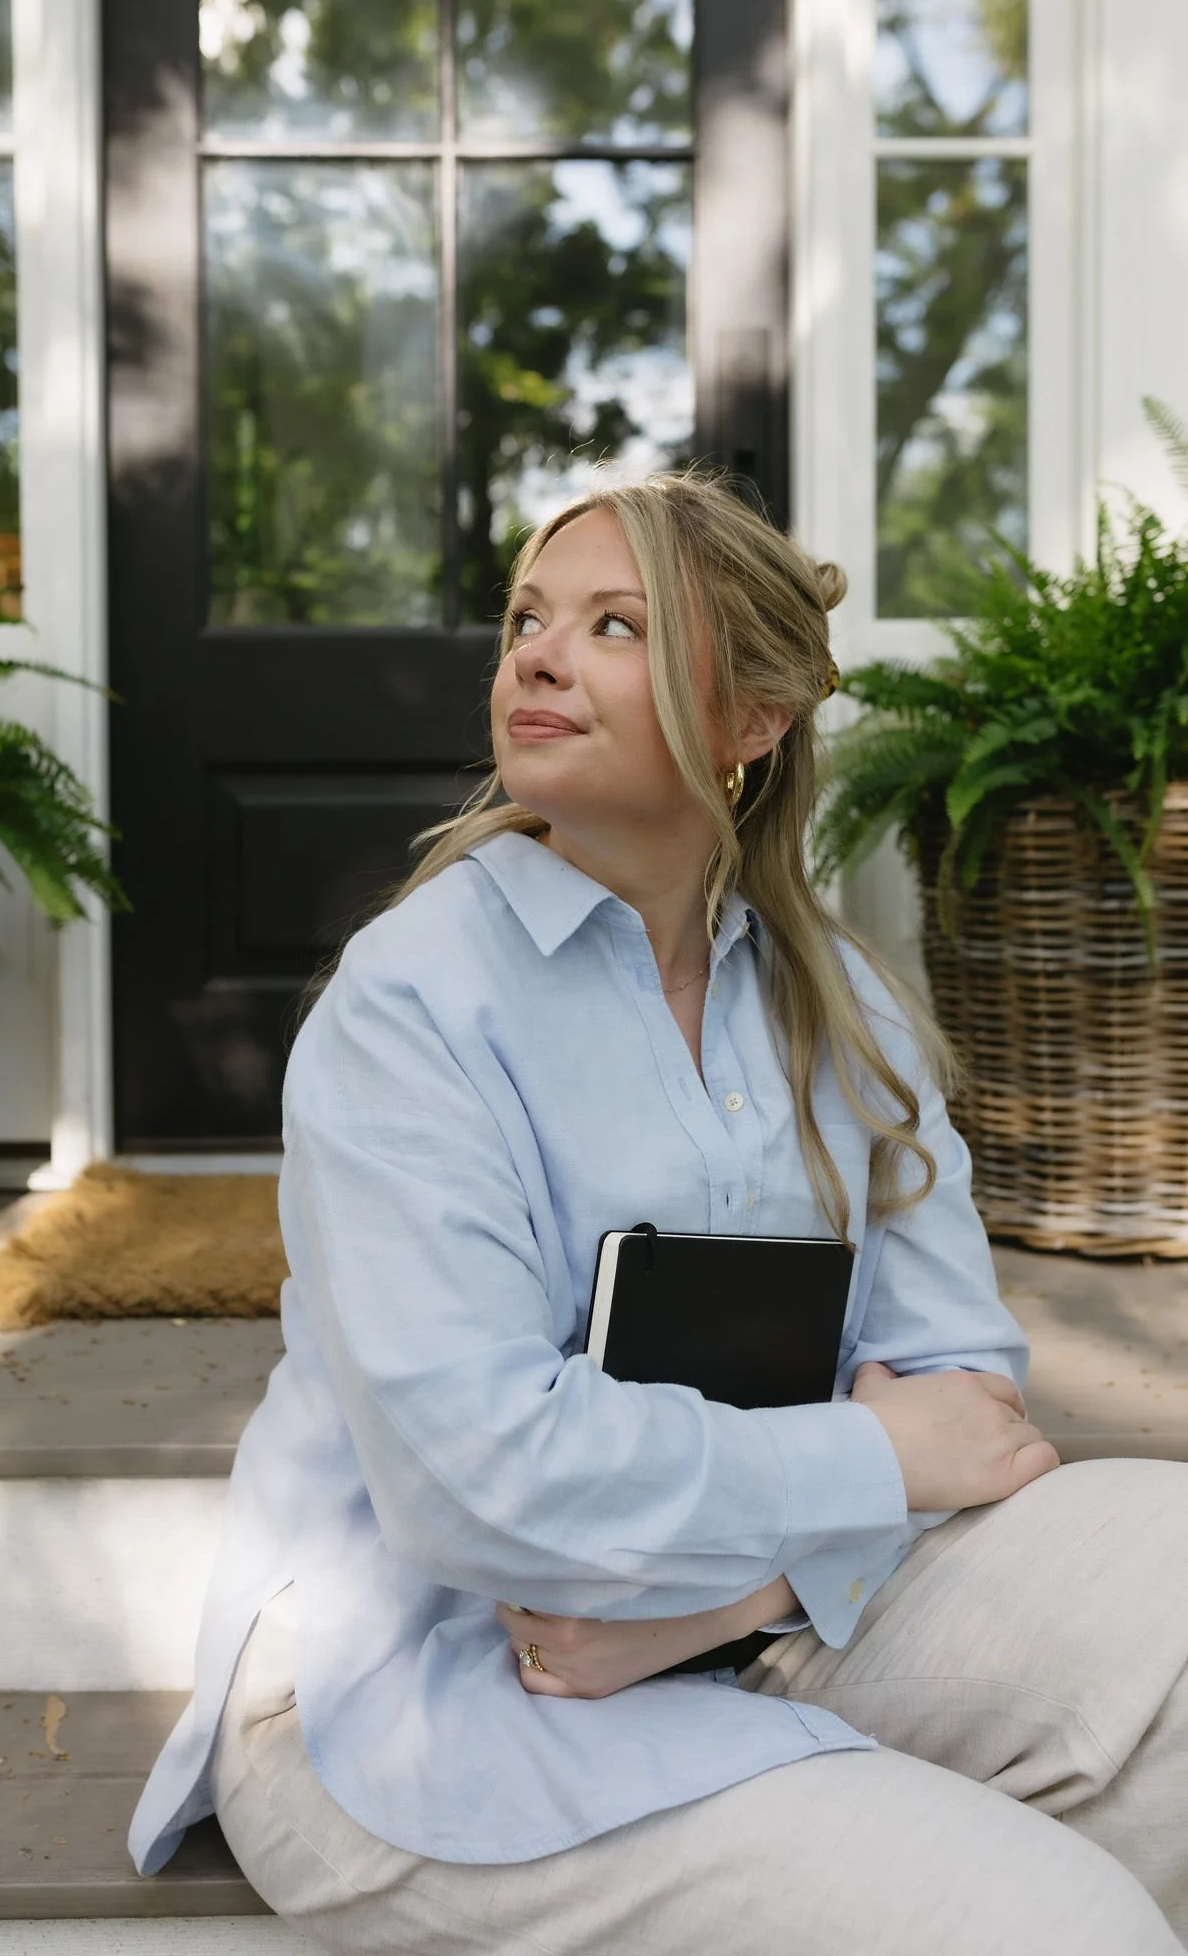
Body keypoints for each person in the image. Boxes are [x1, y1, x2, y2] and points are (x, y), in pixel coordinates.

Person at [129, 472, 1188, 1954]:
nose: (536, 658)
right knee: (1062, 1925)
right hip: (433, 1685)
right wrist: (866, 1454)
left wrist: (726, 1599)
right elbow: (480, 1484)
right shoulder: (414, 1003)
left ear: (754, 720)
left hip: (757, 1626)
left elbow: (969, 1408)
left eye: (612, 625)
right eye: (525, 621)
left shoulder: (846, 1006)